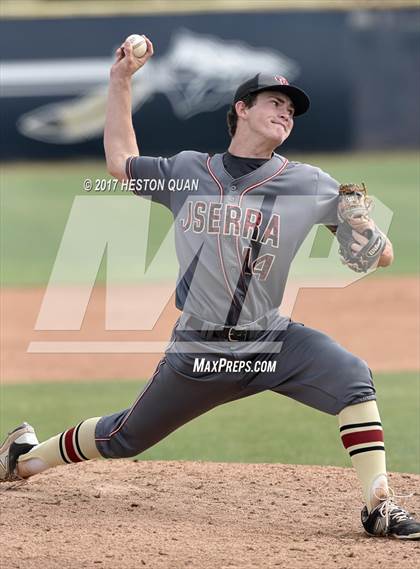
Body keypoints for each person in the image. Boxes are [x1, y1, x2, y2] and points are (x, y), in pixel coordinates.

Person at [1, 37, 419, 541]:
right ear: (241, 109)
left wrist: (364, 228)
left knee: (353, 377)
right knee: (123, 437)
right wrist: (121, 81)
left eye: (291, 110)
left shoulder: (311, 183)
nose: (285, 114)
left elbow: (379, 256)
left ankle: (379, 504)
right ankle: (23, 460)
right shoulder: (187, 171)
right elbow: (120, 162)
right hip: (199, 350)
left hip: (273, 340)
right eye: (274, 103)